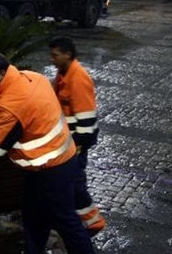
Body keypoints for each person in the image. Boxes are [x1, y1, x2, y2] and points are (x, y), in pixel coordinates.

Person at [0, 52, 95, 254]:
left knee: (65, 222)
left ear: (1, 75)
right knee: (35, 218)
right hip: (51, 165)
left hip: (52, 171)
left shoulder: (9, 105)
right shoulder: (33, 77)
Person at [49, 36, 106, 236]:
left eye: (56, 55)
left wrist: (77, 146)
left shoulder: (77, 78)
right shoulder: (63, 74)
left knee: (74, 184)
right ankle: (82, 221)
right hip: (69, 141)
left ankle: (93, 222)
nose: (52, 59)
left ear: (68, 54)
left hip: (76, 142)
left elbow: (86, 121)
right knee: (71, 183)